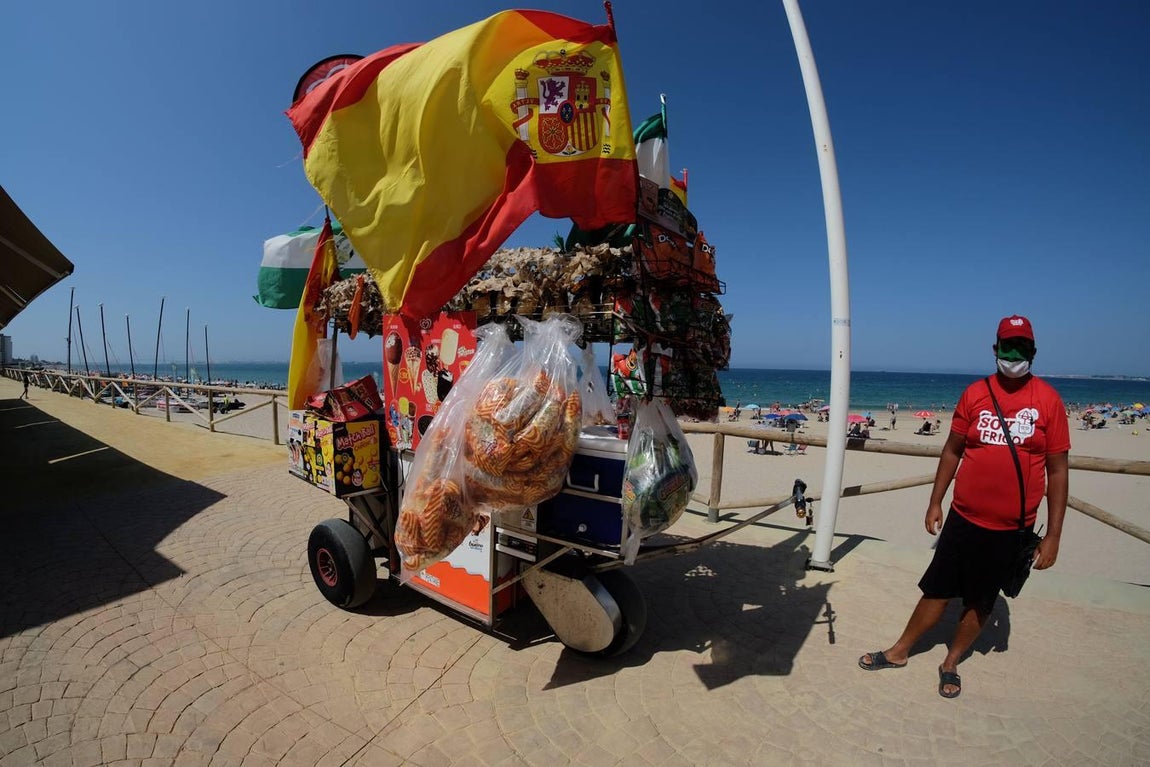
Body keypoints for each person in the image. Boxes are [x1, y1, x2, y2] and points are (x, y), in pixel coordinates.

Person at [858, 315, 1070, 699]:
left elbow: (1057, 471)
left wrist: (1053, 535)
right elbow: (953, 450)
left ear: (1033, 353)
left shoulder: (1049, 402)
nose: (1014, 354)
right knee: (936, 590)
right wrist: (935, 500)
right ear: (995, 350)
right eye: (1008, 346)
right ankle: (900, 650)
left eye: (1021, 347)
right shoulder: (975, 394)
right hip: (964, 519)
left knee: (981, 599)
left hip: (1012, 530)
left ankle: (951, 661)